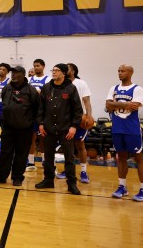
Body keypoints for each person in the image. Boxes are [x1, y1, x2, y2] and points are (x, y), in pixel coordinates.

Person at [36, 63, 83, 195]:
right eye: (53, 70)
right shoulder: (46, 88)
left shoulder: (71, 88)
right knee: (48, 156)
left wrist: (74, 126)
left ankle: (71, 184)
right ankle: (48, 180)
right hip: (48, 128)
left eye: (57, 70)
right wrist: (40, 123)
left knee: (69, 157)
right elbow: (40, 108)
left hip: (66, 129)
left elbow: (77, 110)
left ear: (63, 73)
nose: (54, 72)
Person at [106, 64, 143, 202]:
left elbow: (134, 106)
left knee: (138, 158)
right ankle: (122, 187)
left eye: (123, 71)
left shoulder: (137, 89)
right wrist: (124, 104)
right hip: (117, 128)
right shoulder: (113, 88)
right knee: (121, 157)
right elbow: (108, 105)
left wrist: (116, 104)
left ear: (130, 73)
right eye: (118, 70)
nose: (120, 73)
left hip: (131, 129)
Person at [0, 66, 39, 186]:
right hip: (8, 127)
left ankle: (17, 177)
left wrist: (30, 123)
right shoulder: (7, 88)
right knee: (5, 153)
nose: (13, 75)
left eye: (16, 73)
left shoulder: (31, 90)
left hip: (24, 128)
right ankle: (1, 176)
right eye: (12, 73)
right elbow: (4, 105)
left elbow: (37, 109)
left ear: (23, 74)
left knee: (21, 154)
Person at [56, 63, 93, 183]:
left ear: (73, 71)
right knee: (68, 146)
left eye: (68, 68)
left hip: (79, 119)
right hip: (65, 119)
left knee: (80, 145)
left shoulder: (81, 83)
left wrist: (89, 116)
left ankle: (83, 171)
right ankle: (68, 170)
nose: (65, 70)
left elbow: (86, 101)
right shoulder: (61, 83)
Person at [27, 59, 50, 171]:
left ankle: (44, 160)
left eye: (38, 66)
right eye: (34, 66)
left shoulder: (48, 80)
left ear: (43, 66)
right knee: (31, 137)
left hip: (43, 111)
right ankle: (31, 161)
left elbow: (49, 95)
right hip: (31, 112)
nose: (36, 68)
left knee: (43, 137)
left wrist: (39, 92)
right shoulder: (28, 80)